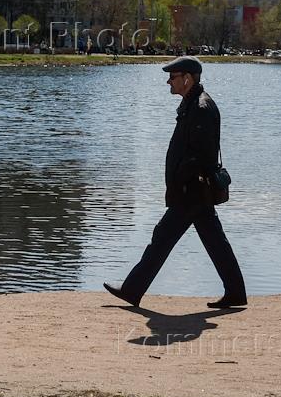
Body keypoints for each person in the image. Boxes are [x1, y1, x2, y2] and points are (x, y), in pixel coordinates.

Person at [104, 56, 247, 309]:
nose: (169, 81)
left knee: (162, 238)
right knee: (214, 241)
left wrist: (180, 177)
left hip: (190, 190)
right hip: (192, 190)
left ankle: (132, 290)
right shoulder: (193, 104)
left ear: (187, 79)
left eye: (173, 76)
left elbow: (200, 155)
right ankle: (235, 292)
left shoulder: (200, 107)